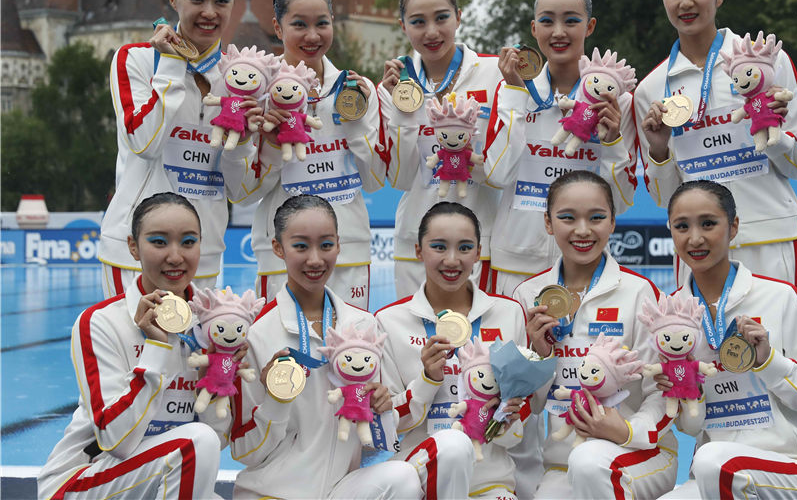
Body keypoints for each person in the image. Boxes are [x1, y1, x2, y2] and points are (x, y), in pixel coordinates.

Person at [229, 195, 473, 499]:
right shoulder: (255, 332)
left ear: (339, 245)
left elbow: (375, 443)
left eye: (326, 245)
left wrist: (387, 407)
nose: (315, 259)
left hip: (342, 490)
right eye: (301, 246)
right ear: (278, 248)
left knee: (402, 478)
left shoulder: (362, 325)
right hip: (274, 492)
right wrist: (276, 401)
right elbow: (243, 451)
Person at [634, 0, 797, 288]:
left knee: (776, 343)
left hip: (768, 237)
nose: (685, 1)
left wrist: (771, 131)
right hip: (696, 247)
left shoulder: (766, 63)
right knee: (699, 343)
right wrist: (658, 151)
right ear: (663, 0)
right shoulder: (651, 89)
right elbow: (664, 196)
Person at [38, 193, 230, 499]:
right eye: (158, 241)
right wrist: (157, 346)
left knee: (201, 448)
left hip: (153, 475)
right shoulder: (101, 322)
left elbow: (218, 438)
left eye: (188, 241)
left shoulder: (211, 326)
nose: (175, 256)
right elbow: (117, 441)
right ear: (133, 247)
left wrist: (221, 373)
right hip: (83, 481)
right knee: (195, 442)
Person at [658, 180, 797, 499]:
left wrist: (769, 362)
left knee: (713, 461)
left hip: (792, 468)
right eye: (682, 226)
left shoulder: (780, 297)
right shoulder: (670, 316)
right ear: (671, 231)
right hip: (713, 474)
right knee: (707, 466)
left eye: (709, 223)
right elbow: (690, 429)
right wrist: (689, 390)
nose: (695, 238)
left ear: (734, 226)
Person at [99, 0, 259, 298]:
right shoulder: (137, 59)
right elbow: (144, 142)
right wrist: (171, 66)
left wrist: (243, 142)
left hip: (202, 254)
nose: (209, 12)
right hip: (136, 253)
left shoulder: (241, 79)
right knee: (136, 352)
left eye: (221, 1)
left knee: (194, 355)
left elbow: (241, 191)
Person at [514, 170, 676, 499]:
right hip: (562, 460)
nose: (583, 230)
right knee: (579, 467)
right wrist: (538, 356)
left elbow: (661, 389)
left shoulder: (638, 292)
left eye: (597, 217)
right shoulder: (528, 294)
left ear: (613, 222)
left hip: (638, 452)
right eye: (567, 218)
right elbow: (528, 405)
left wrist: (627, 430)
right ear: (548, 223)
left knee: (591, 464)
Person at [231, 0, 383, 309]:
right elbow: (243, 192)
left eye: (322, 24)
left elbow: (375, 181)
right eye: (299, 24)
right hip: (282, 254)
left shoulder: (356, 90)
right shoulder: (253, 90)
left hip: (347, 249)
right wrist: (271, 146)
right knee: (283, 358)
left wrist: (356, 122)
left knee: (351, 356)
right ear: (278, 26)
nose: (312, 36)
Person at [483, 0, 638, 298]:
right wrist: (513, 94)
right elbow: (497, 176)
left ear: (590, 26)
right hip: (517, 262)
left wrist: (611, 143)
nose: (558, 32)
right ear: (533, 27)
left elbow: (619, 203)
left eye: (571, 20)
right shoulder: (512, 90)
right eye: (547, 20)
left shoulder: (617, 100)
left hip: (585, 262)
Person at [376, 202, 528, 499]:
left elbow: (516, 434)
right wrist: (427, 381)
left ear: (478, 252)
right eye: (439, 247)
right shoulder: (389, 321)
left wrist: (505, 414)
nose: (452, 260)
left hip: (489, 479)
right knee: (450, 450)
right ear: (418, 251)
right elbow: (387, 430)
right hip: (420, 475)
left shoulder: (509, 314)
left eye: (464, 247)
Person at [378, 0, 503, 299]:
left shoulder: (494, 75)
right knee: (417, 343)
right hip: (415, 243)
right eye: (418, 21)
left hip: (479, 242)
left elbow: (500, 172)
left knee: (478, 344)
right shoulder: (391, 87)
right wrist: (403, 110)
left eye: (442, 18)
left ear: (459, 17)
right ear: (403, 26)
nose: (431, 32)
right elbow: (401, 178)